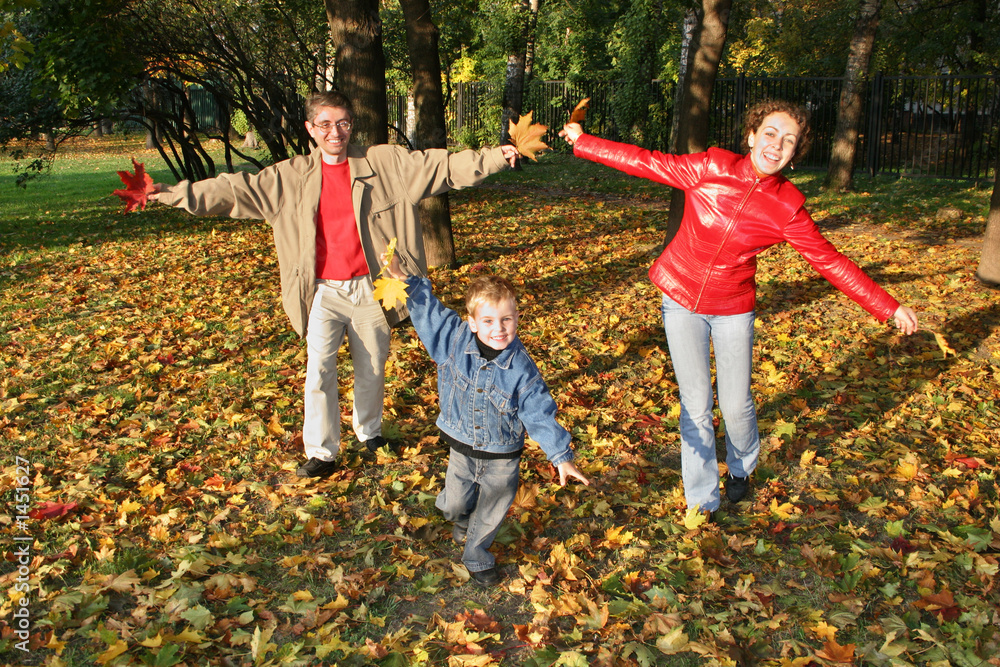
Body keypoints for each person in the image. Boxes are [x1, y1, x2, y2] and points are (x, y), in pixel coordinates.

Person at [560, 99, 918, 516]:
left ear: (794, 154)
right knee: (695, 405)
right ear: (751, 136)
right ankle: (702, 499)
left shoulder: (788, 208)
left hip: (732, 307)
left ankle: (742, 467)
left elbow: (830, 261)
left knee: (736, 404)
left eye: (788, 141)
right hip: (680, 297)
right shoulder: (709, 167)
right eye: (770, 133)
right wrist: (585, 143)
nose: (776, 145)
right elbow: (645, 161)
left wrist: (888, 307)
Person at [151, 91, 519, 478]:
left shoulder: (385, 163)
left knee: (373, 365)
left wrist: (496, 157)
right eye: (325, 124)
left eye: (342, 122)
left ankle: (370, 434)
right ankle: (322, 451)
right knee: (320, 371)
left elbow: (441, 166)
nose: (335, 132)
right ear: (310, 129)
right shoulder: (288, 177)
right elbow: (231, 191)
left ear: (351, 125)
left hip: (372, 287)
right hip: (321, 291)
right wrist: (171, 194)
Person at [382, 255, 590, 586]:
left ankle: (477, 555)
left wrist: (561, 456)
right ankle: (461, 518)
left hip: (502, 455)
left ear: (517, 319)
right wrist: (405, 280)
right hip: (462, 448)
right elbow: (429, 313)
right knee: (454, 503)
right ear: (473, 322)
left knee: (492, 510)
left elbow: (538, 410)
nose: (499, 328)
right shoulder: (452, 340)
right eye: (489, 321)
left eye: (507, 319)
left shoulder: (522, 369)